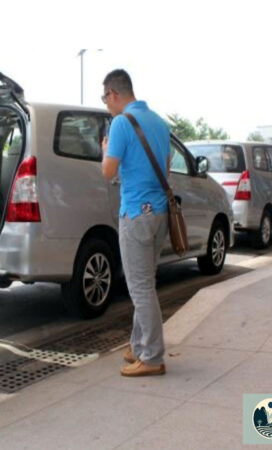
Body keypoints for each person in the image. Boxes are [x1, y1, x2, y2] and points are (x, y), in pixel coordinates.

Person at [101, 69, 169, 377]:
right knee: (147, 284)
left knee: (140, 289)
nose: (106, 105)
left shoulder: (120, 123)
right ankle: (139, 345)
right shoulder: (159, 122)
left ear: (114, 94)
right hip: (160, 213)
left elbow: (108, 171)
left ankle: (152, 358)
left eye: (105, 98)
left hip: (135, 215)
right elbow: (165, 169)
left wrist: (105, 152)